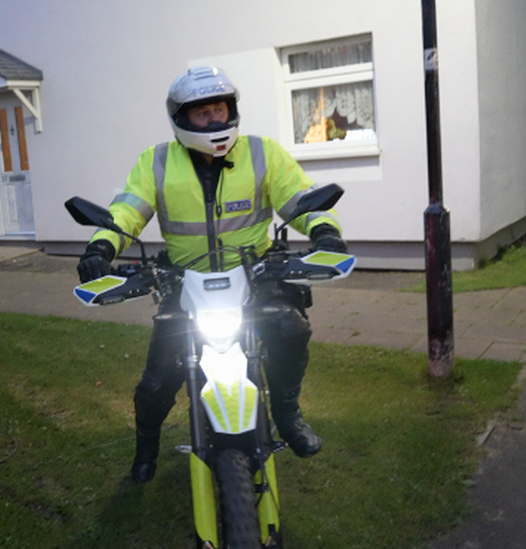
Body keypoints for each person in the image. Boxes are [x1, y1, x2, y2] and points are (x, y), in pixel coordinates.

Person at [77, 66, 348, 483]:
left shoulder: (264, 153)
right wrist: (101, 247)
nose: (215, 121)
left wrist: (326, 233)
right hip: (184, 282)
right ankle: (146, 447)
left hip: (255, 275)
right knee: (156, 381)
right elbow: (127, 211)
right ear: (182, 119)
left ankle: (287, 413)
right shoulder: (157, 162)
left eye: (220, 110)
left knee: (290, 328)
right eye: (203, 115)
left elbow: (300, 200)